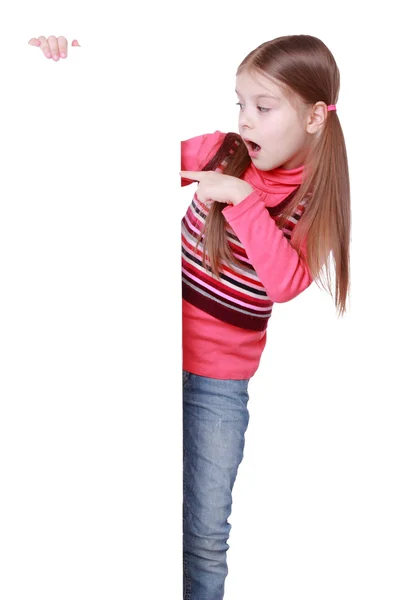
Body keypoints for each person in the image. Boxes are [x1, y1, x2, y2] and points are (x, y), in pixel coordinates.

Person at [180, 34, 350, 599]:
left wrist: (242, 200)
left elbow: (284, 282)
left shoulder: (312, 197)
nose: (246, 121)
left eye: (263, 106)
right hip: (148, 350)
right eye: (240, 104)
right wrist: (61, 65)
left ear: (313, 117)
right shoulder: (219, 150)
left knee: (203, 536)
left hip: (217, 387)